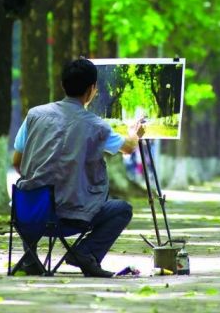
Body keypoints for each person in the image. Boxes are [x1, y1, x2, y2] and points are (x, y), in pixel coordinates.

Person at [12, 58, 145, 277]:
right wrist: (134, 131)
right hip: (72, 217)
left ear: (63, 85)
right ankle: (84, 253)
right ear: (92, 89)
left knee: (33, 187)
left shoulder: (34, 115)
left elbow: (17, 162)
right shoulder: (96, 125)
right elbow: (129, 148)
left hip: (29, 213)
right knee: (122, 209)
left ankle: (31, 260)